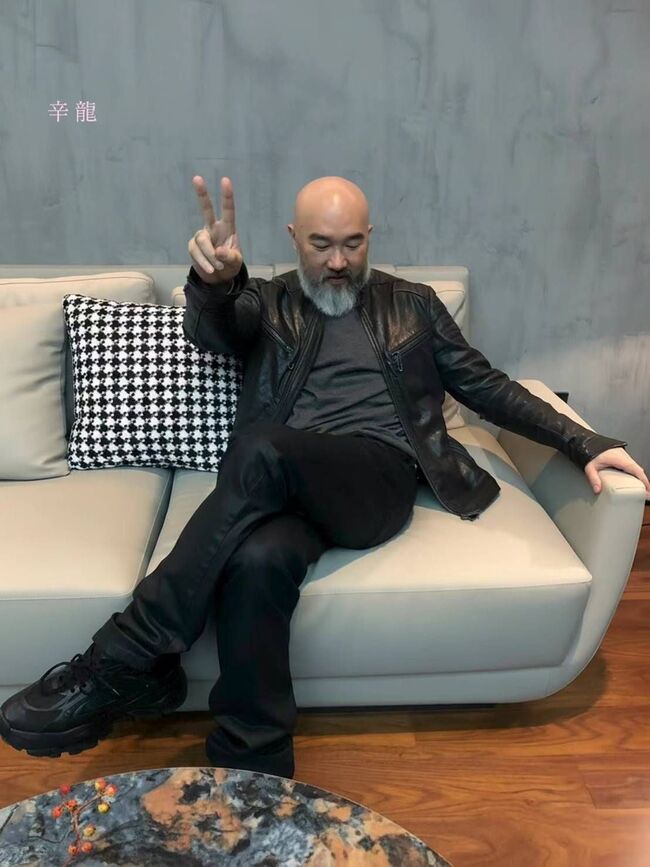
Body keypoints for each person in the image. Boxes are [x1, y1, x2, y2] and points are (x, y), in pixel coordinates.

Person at [1, 176, 647, 780]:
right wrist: (216, 285)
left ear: (370, 236)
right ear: (293, 238)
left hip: (374, 479)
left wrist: (582, 439)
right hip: (285, 487)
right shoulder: (268, 301)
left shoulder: (414, 304)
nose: (338, 261)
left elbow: (487, 385)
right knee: (256, 560)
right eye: (321, 245)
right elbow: (214, 331)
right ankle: (252, 760)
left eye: (352, 243)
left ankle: (123, 656)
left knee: (260, 448)